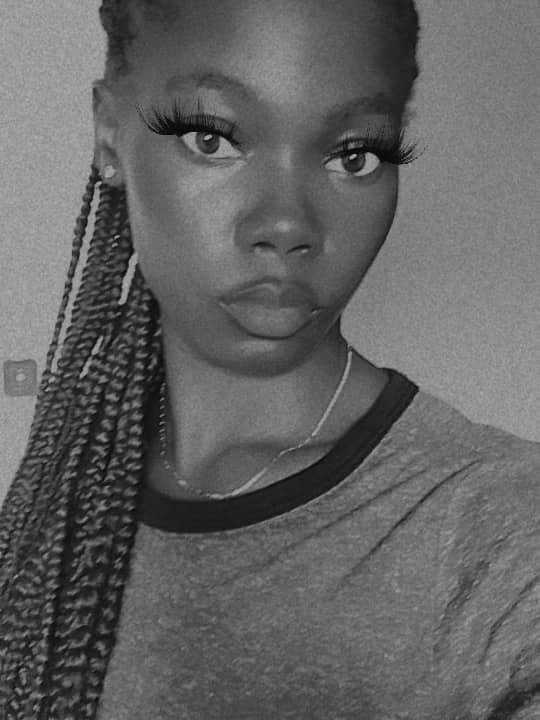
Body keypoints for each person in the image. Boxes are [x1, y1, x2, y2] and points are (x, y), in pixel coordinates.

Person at [0, 0, 538, 717]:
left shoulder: (501, 534)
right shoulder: (68, 477)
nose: (286, 225)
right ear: (109, 134)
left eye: (355, 154)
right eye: (212, 139)